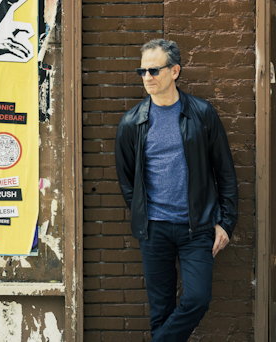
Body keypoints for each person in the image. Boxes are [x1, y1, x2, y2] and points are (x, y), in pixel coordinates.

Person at [114, 39, 238, 342]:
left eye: (154, 70)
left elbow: (225, 172)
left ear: (175, 71)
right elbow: (127, 181)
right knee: (161, 310)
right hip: (154, 230)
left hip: (196, 228)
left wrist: (227, 222)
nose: (147, 77)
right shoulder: (132, 122)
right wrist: (144, 216)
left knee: (197, 299)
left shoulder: (201, 115)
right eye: (142, 71)